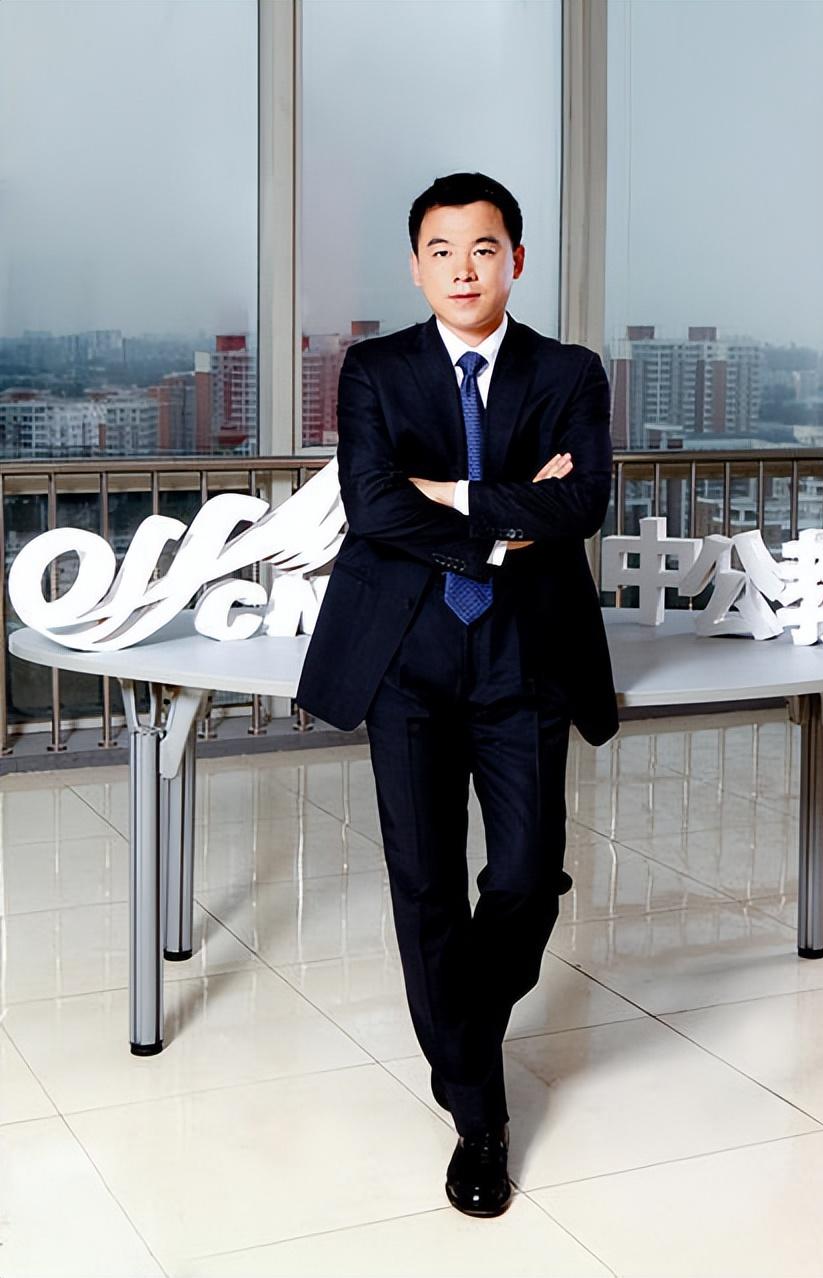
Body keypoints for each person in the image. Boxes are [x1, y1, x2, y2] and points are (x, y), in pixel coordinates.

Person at [297, 171, 618, 1217]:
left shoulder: (567, 371)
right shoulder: (377, 369)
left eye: (483, 249)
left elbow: (582, 502)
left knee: (526, 875)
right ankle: (479, 1118)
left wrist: (449, 489)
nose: (463, 269)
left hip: (526, 655)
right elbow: (372, 507)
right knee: (426, 883)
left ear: (515, 259)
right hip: (407, 658)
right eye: (442, 251)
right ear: (416, 266)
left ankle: (459, 1023)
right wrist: (498, 523)